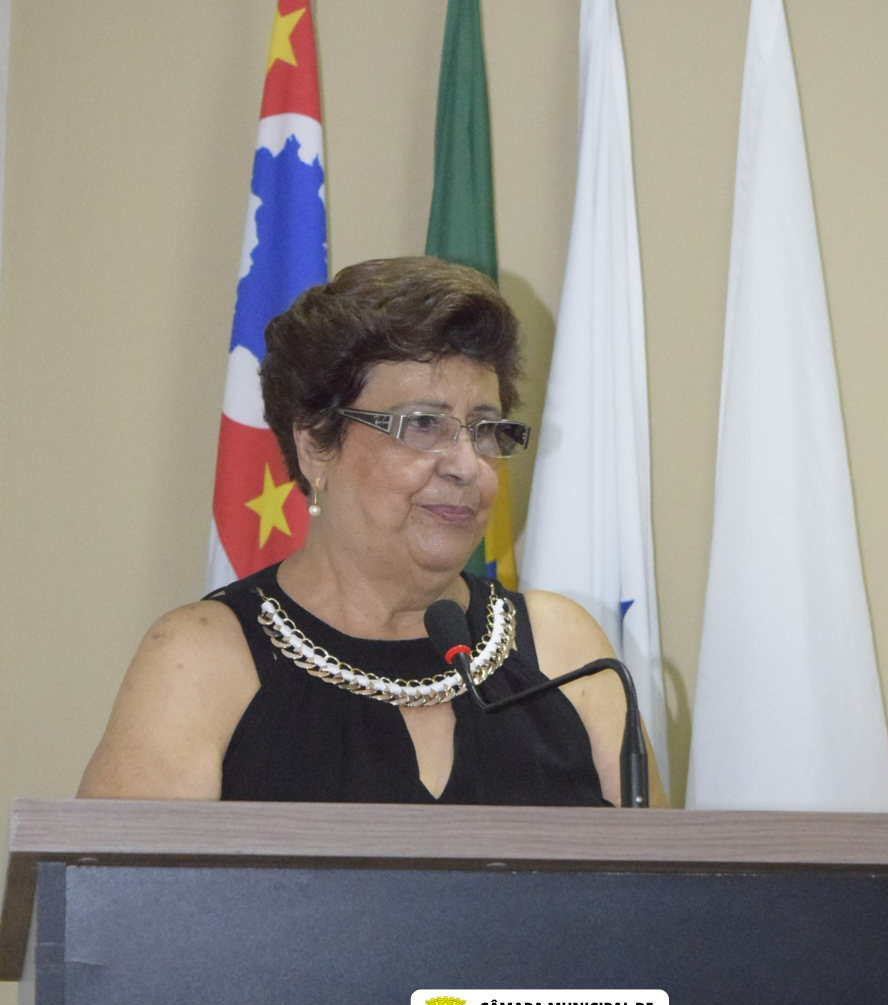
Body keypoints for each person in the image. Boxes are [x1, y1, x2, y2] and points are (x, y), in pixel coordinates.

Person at [79, 256, 667, 807]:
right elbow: (120, 885)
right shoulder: (201, 660)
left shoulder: (565, 653)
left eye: (485, 429)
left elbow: (661, 883)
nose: (467, 465)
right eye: (424, 424)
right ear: (316, 443)